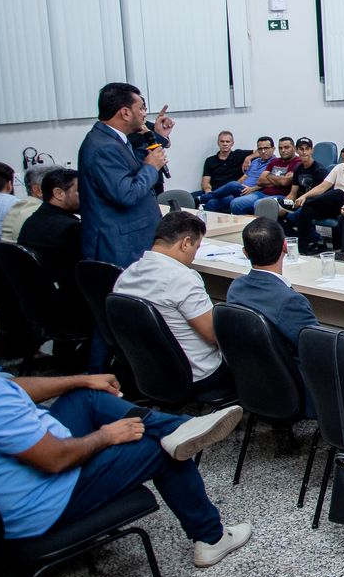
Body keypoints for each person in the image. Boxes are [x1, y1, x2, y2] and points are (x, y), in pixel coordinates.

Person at [0, 293, 252, 566]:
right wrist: (106, 436)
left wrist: (82, 380)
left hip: (25, 476)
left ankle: (181, 427)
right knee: (161, 448)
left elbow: (11, 385)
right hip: (40, 501)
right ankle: (212, 538)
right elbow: (55, 459)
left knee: (86, 397)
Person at [112, 212, 232, 399]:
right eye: (197, 247)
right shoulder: (182, 278)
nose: (194, 256)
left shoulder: (126, 275)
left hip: (146, 370)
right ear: (186, 243)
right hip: (196, 374)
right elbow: (213, 335)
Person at [77, 83, 173, 268]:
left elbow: (131, 168)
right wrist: (151, 168)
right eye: (141, 108)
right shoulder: (103, 147)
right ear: (125, 113)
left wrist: (157, 137)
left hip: (132, 239)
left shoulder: (112, 139)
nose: (144, 114)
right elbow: (126, 194)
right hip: (120, 244)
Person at [224, 217, 318, 355]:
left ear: (245, 253)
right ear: (285, 246)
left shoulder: (236, 287)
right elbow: (317, 348)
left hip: (247, 364)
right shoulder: (291, 301)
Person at [16, 167, 83, 304]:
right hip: (67, 301)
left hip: (38, 298)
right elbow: (81, 273)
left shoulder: (33, 220)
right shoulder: (69, 228)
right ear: (59, 193)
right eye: (79, 191)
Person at [200, 131, 250, 205]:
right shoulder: (210, 160)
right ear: (218, 143)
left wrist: (248, 158)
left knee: (212, 202)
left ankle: (203, 199)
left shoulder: (239, 155)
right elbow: (205, 182)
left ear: (232, 143)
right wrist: (208, 192)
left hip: (230, 193)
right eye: (222, 141)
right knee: (189, 197)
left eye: (227, 141)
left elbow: (259, 152)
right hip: (213, 191)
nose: (225, 144)